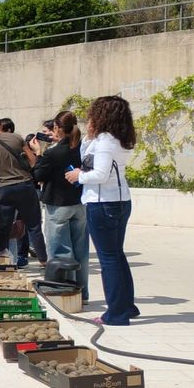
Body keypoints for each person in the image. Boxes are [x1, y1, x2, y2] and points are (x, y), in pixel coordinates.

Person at [65, 96, 138, 325]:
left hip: (103, 203)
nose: (90, 116)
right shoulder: (115, 138)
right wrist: (88, 135)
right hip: (117, 201)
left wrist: (79, 176)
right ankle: (126, 306)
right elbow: (87, 155)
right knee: (116, 255)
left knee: (109, 259)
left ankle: (116, 314)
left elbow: (100, 174)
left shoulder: (106, 140)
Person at [25, 112, 89, 301]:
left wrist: (38, 153)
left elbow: (37, 176)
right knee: (81, 252)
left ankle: (66, 293)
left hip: (58, 205)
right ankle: (82, 293)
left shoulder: (52, 153)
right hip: (79, 203)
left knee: (61, 252)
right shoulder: (82, 148)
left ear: (56, 128)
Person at [0, 114, 46, 267]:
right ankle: (44, 261)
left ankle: (5, 263)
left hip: (4, 189)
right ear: (0, 125)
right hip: (25, 185)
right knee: (34, 226)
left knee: (4, 227)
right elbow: (32, 160)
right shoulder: (16, 138)